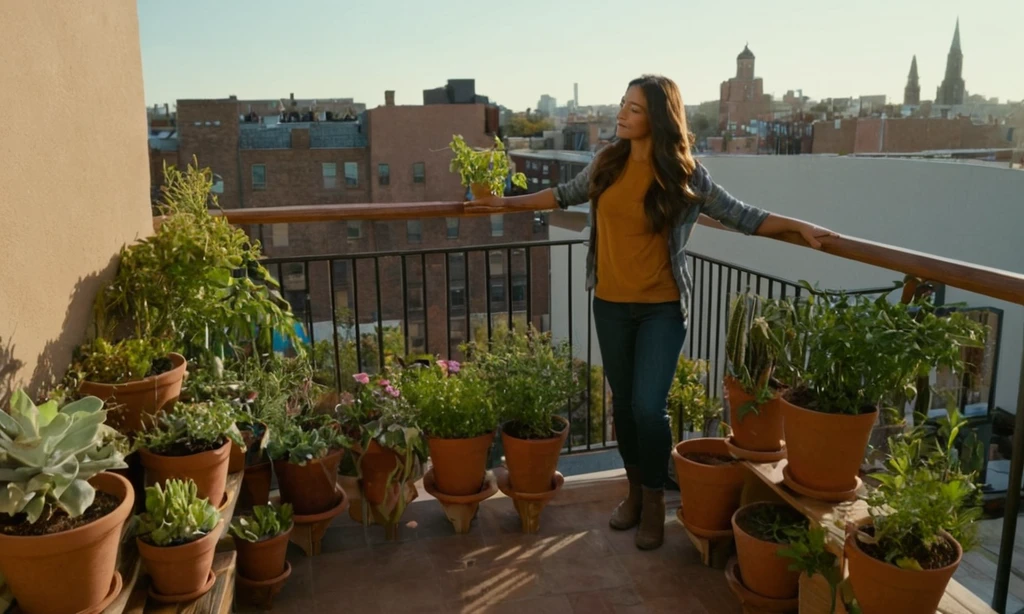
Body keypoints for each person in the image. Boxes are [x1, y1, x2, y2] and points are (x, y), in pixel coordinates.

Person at [465, 74, 837, 550]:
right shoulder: (607, 163)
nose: (621, 113)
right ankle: (635, 495)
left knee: (648, 407)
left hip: (662, 308)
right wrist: (500, 202)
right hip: (611, 305)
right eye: (622, 104)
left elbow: (743, 216)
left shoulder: (684, 174)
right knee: (624, 405)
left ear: (658, 117)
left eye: (633, 108)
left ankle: (656, 502)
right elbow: (561, 196)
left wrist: (799, 225)